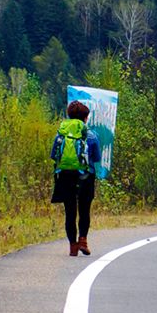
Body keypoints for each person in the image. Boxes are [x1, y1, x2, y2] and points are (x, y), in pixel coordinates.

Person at [50, 100, 101, 256]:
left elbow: (54, 155)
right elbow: (97, 158)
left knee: (70, 211)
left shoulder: (61, 134)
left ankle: (73, 246)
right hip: (86, 176)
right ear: (85, 118)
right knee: (84, 210)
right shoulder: (91, 135)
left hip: (65, 176)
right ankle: (83, 240)